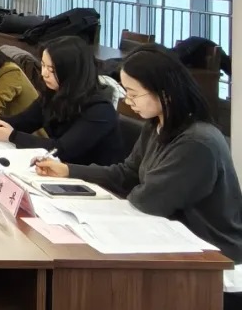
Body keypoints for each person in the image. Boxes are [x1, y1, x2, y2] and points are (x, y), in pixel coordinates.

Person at [34, 46, 242, 308]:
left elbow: (149, 201)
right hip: (168, 243)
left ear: (164, 93)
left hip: (211, 264)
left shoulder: (197, 142)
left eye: (133, 94)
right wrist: (69, 170)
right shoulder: (158, 124)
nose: (127, 101)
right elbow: (128, 173)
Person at [0, 36, 128, 166]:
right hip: (62, 170)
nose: (44, 73)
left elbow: (62, 149)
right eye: (43, 65)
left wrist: (12, 136)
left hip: (92, 180)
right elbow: (26, 121)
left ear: (71, 71)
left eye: (52, 69)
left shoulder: (100, 110)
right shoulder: (54, 93)